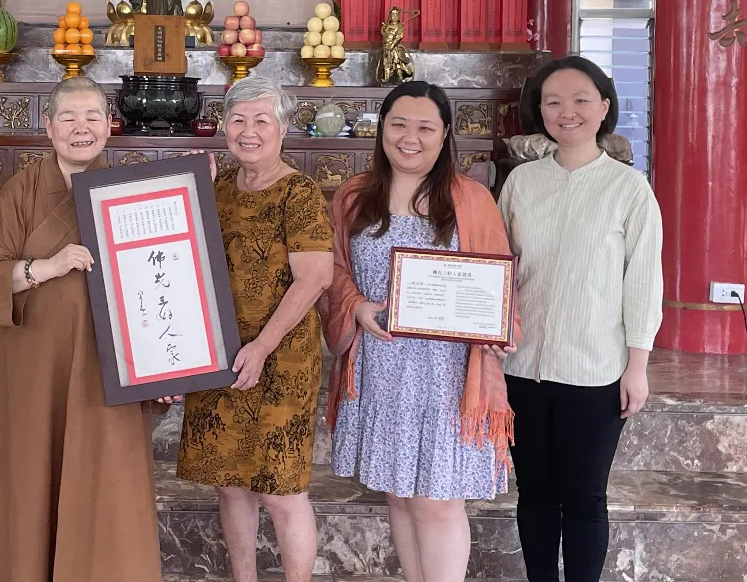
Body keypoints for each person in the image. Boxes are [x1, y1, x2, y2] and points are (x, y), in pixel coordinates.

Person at [0, 76, 162, 582]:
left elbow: (162, 285)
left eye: (92, 117)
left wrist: (168, 369)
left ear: (109, 125)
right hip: (35, 364)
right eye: (68, 118)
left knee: (107, 484)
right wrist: (43, 268)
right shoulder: (21, 190)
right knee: (32, 479)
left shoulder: (132, 192)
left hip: (108, 370)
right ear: (47, 126)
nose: (81, 128)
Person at [319, 81, 516, 582]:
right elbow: (335, 271)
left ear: (445, 133)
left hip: (445, 378)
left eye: (425, 127)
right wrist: (358, 307)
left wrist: (498, 325)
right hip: (381, 371)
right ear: (381, 129)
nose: (411, 137)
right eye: (398, 124)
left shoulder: (471, 200)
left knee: (437, 503)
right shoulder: (354, 196)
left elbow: (497, 278)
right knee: (400, 498)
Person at [498, 55, 662, 582]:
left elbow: (643, 282)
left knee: (585, 497)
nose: (566, 112)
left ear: (604, 107)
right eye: (553, 101)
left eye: (580, 100)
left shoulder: (629, 189)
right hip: (521, 367)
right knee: (536, 495)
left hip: (594, 371)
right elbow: (500, 268)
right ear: (539, 110)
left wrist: (637, 366)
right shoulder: (522, 183)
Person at [177, 76, 333, 582]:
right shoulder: (218, 186)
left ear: (283, 127)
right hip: (219, 355)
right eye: (237, 120)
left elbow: (315, 278)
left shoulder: (299, 193)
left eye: (261, 120)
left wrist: (263, 346)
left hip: (280, 359)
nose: (248, 131)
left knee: (281, 488)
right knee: (229, 484)